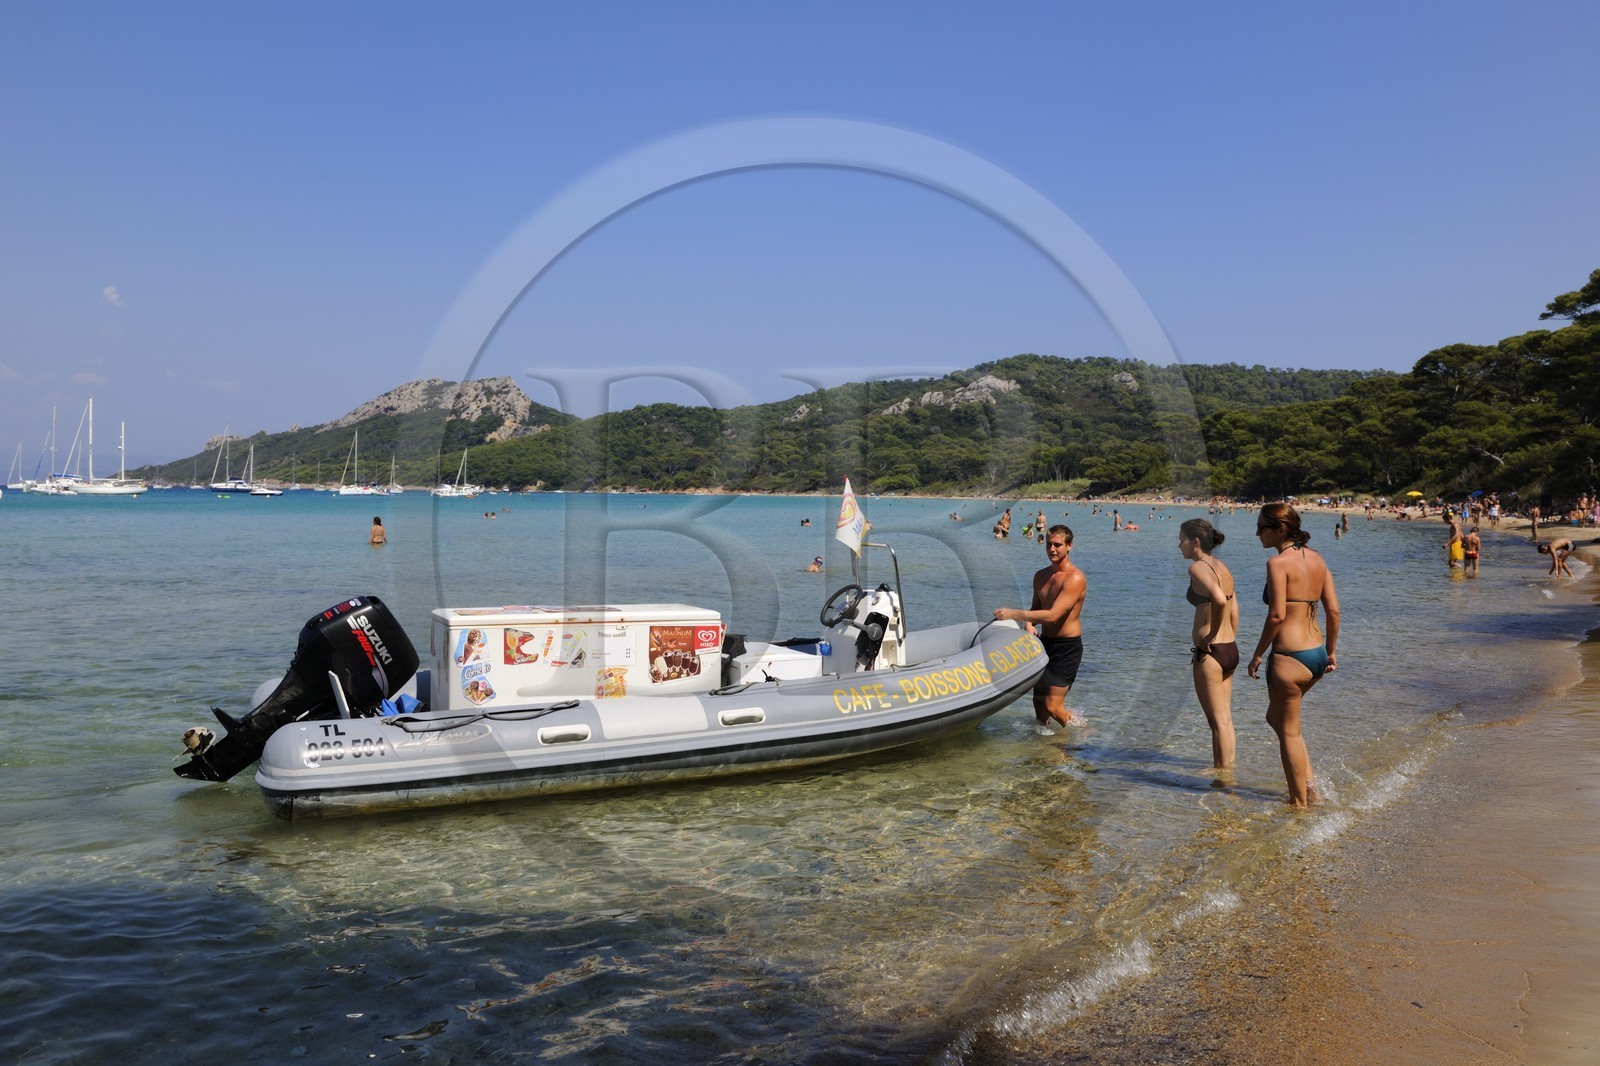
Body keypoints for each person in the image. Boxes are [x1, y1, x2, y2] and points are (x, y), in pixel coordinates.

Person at [1248, 503, 1341, 807]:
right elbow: (1334, 610)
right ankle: (1312, 788)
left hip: (1289, 656)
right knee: (1276, 719)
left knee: (1288, 732)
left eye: (1262, 527)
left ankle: (1299, 805)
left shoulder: (1278, 564)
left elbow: (1276, 616)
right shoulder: (1317, 559)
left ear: (1281, 530)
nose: (1257, 533)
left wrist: (1258, 653)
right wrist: (1331, 651)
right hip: (1315, 655)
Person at [993, 524, 1086, 731]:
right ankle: (1046, 749)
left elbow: (1053, 615)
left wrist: (1014, 614)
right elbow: (1037, 608)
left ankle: (1082, 735)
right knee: (1039, 707)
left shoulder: (1075, 578)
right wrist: (1027, 623)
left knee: (1053, 706)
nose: (1052, 549)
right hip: (1045, 644)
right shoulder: (1040, 576)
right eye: (1049, 545)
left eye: (1058, 545)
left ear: (1069, 546)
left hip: (1067, 648)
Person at [1179, 518, 1238, 772]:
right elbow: (1234, 607)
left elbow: (1219, 601)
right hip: (1229, 649)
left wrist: (1210, 635)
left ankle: (1221, 779)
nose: (1178, 545)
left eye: (1181, 540)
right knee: (1226, 721)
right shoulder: (1222, 566)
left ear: (1195, 542)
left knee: (1217, 724)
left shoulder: (1198, 568)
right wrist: (1227, 636)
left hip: (1210, 653)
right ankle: (1229, 771)